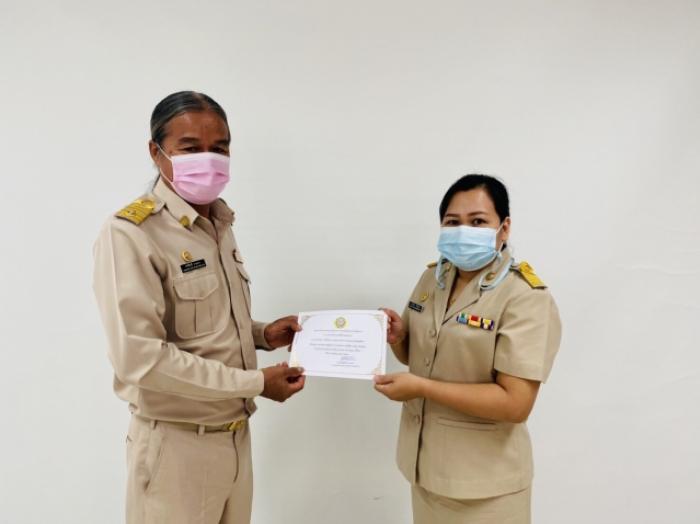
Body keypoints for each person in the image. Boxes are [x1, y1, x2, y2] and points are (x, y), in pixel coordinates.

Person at [93, 91, 305, 524]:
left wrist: (263, 335)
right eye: (190, 148)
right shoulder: (131, 233)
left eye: (219, 148)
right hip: (177, 449)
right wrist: (255, 382)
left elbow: (205, 327)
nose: (208, 160)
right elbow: (141, 359)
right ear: (156, 152)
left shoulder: (218, 223)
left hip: (235, 440)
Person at [374, 174, 562, 524]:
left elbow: (516, 403)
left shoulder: (524, 296)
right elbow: (418, 356)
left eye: (477, 222)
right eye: (452, 222)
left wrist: (421, 388)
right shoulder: (433, 278)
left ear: (504, 228)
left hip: (485, 487)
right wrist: (399, 337)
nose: (463, 231)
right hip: (425, 469)